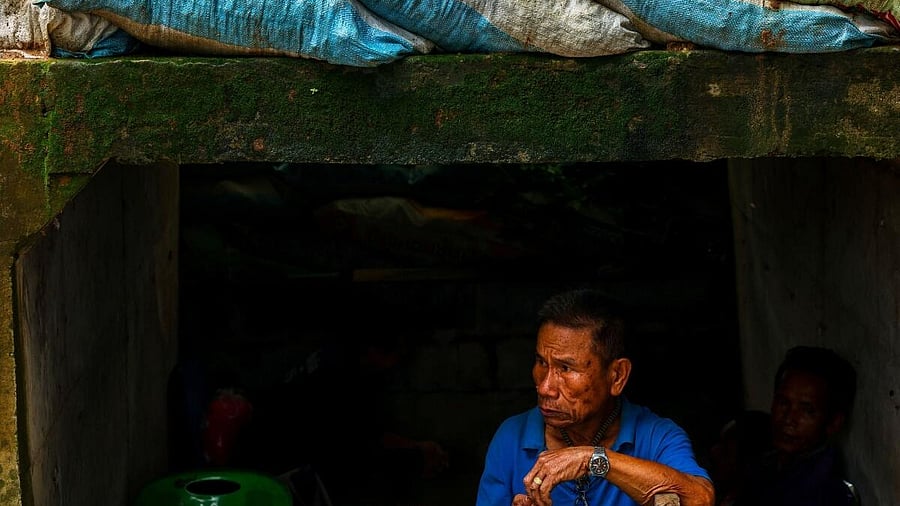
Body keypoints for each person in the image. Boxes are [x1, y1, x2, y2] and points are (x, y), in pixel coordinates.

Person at [476, 288, 715, 506]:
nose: (545, 387)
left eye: (566, 368)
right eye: (541, 362)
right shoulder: (512, 437)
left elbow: (699, 501)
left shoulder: (655, 437)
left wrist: (592, 458)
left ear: (617, 376)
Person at [722, 345, 858, 506]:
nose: (789, 419)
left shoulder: (825, 494)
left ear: (833, 423)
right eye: (783, 402)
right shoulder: (769, 464)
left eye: (807, 411)